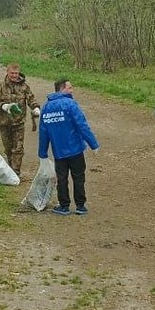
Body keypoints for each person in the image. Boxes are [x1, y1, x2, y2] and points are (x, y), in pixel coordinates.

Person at [38, 79, 100, 216]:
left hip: (59, 151)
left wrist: (42, 153)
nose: (72, 90)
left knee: (62, 178)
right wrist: (93, 144)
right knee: (78, 177)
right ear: (62, 89)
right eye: (70, 88)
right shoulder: (71, 104)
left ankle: (64, 205)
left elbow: (43, 132)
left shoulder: (46, 108)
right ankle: (80, 205)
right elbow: (82, 125)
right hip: (75, 149)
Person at [0, 63, 39, 177]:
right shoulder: (0, 86)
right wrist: (3, 106)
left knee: (18, 149)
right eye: (12, 73)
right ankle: (9, 169)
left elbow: (31, 99)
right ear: (7, 72)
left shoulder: (24, 87)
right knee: (8, 149)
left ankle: (15, 173)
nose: (14, 75)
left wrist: (36, 107)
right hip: (4, 122)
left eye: (16, 73)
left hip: (19, 123)